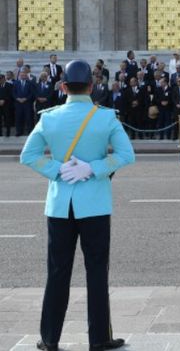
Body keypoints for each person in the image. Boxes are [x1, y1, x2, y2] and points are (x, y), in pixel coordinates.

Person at [20, 60, 134, 351]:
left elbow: (29, 155)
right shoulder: (106, 118)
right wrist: (93, 168)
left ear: (63, 86)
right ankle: (99, 339)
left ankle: (49, 338)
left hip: (59, 205)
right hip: (94, 203)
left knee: (58, 271)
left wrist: (58, 169)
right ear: (92, 87)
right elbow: (126, 154)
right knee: (97, 272)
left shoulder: (49, 118)